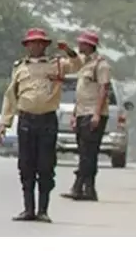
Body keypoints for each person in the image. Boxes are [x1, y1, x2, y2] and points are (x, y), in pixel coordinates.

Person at [0, 28, 84, 222]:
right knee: (26, 166)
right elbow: (11, 96)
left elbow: (78, 65)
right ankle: (28, 209)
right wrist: (4, 123)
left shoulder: (57, 64)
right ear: (26, 46)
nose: (35, 46)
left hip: (46, 120)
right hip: (26, 120)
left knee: (45, 166)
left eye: (39, 43)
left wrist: (68, 50)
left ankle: (43, 210)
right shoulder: (19, 67)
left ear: (45, 45)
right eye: (32, 43)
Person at [60, 31, 111, 202]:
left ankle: (79, 186)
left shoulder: (101, 65)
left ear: (89, 45)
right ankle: (88, 189)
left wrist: (97, 113)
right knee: (84, 152)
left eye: (82, 43)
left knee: (89, 152)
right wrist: (75, 114)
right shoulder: (84, 64)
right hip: (82, 112)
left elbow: (104, 90)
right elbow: (80, 93)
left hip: (93, 113)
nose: (79, 46)